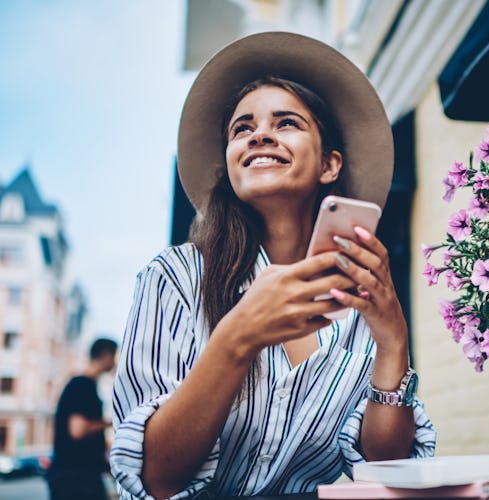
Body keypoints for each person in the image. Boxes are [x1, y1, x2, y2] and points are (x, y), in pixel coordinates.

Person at [110, 32, 436, 499]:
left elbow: (386, 472)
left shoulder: (356, 300)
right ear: (230, 164)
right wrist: (239, 335)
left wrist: (392, 343)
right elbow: (156, 480)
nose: (259, 134)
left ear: (330, 165)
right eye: (241, 129)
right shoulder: (174, 278)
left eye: (286, 123)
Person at [48, 337, 118, 500]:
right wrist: (112, 422)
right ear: (106, 355)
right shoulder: (82, 385)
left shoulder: (83, 385)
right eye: (114, 356)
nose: (115, 363)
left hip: (77, 479)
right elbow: (78, 430)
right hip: (76, 482)